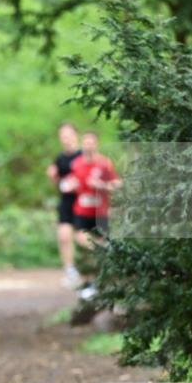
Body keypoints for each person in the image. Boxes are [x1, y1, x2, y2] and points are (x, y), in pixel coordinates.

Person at [68, 131, 121, 299]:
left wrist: (101, 185)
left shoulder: (104, 163)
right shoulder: (76, 164)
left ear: (96, 144)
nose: (88, 145)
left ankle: (98, 284)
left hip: (101, 212)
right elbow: (73, 182)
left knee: (98, 248)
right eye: (86, 142)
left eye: (91, 142)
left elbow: (117, 184)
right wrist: (71, 185)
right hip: (82, 210)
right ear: (82, 144)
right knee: (84, 243)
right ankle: (90, 283)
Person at [46, 122, 82, 288]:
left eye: (68, 135)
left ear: (76, 135)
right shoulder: (60, 158)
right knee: (64, 236)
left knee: (83, 238)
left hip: (84, 202)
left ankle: (96, 269)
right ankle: (70, 271)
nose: (65, 139)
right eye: (62, 136)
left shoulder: (84, 156)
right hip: (66, 202)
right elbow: (59, 184)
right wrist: (54, 178)